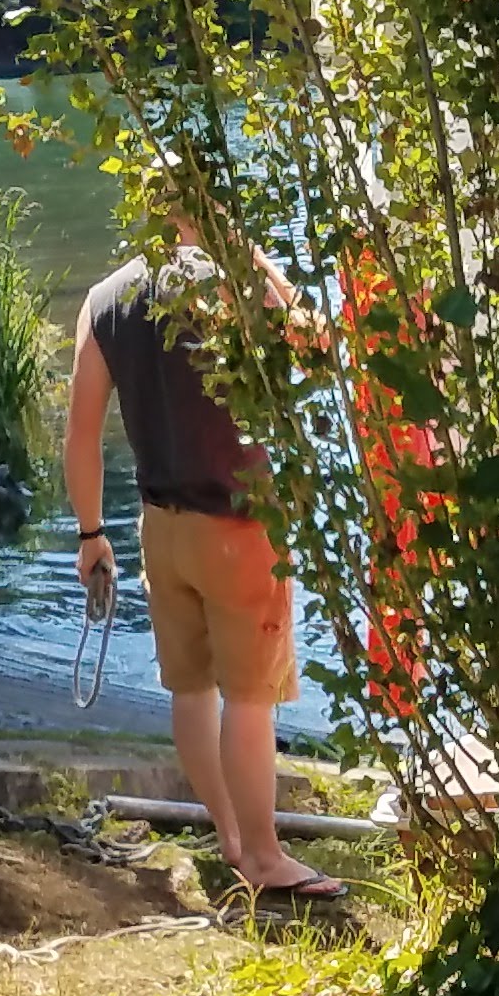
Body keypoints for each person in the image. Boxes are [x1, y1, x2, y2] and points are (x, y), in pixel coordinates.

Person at [66, 181, 346, 908]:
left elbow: (82, 434)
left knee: (191, 691)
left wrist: (91, 532)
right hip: (238, 522)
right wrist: (260, 264)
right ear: (212, 207)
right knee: (251, 699)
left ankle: (230, 836)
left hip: (161, 527)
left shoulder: (104, 299)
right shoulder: (234, 282)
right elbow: (320, 350)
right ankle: (265, 856)